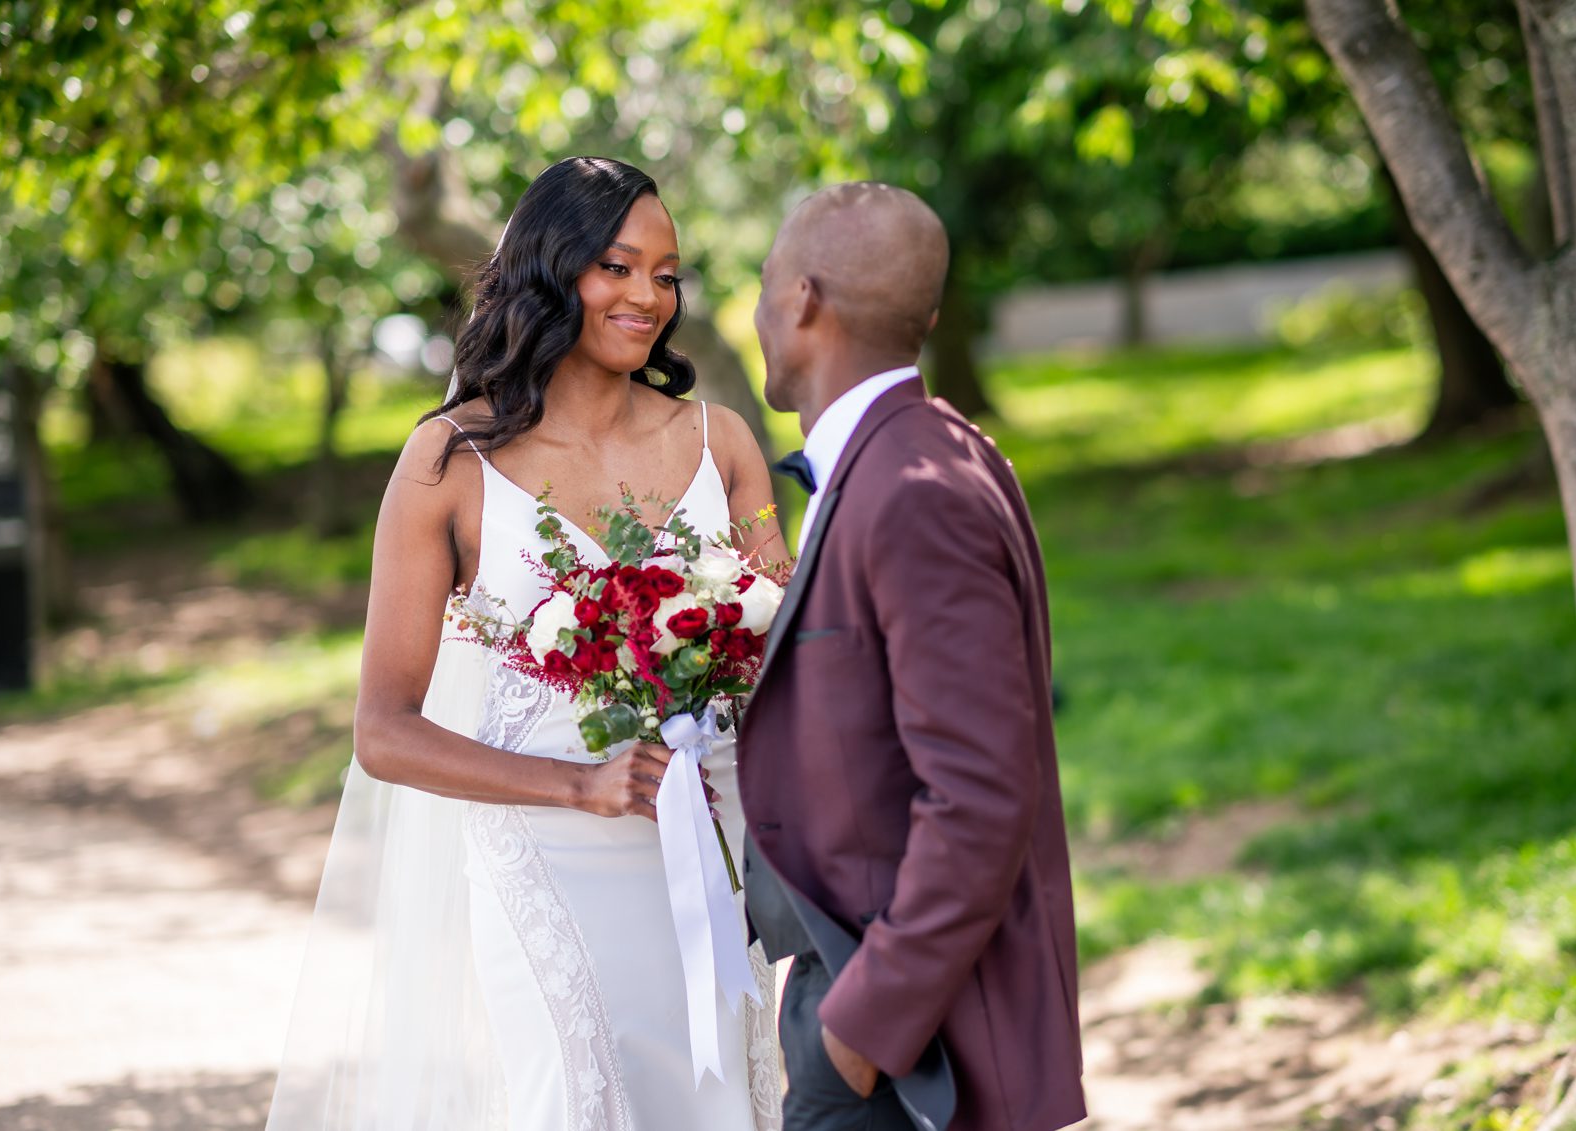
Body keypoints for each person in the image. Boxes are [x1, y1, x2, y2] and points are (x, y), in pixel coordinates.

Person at [265, 156, 787, 1131]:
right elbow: (383, 730)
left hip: (713, 846)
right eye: (618, 267)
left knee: (723, 1101)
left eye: (666, 274)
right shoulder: (447, 462)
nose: (647, 297)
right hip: (545, 861)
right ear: (554, 267)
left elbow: (780, 656)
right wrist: (577, 786)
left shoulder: (724, 445)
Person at [738, 183, 1086, 1131]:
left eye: (764, 284)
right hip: (889, 1021)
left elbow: (978, 797)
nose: (760, 310)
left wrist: (852, 1037)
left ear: (803, 299)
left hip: (917, 1056)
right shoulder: (936, 452)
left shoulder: (913, 489)